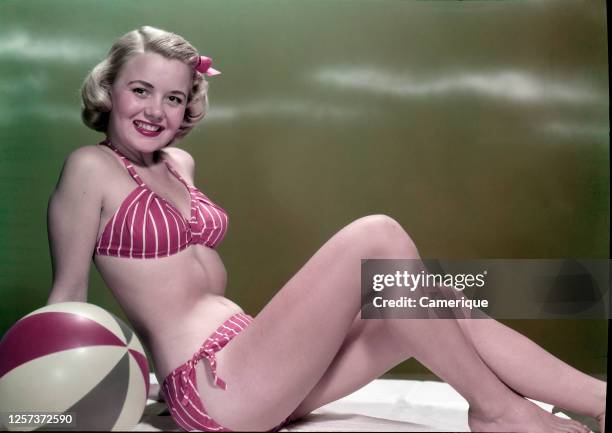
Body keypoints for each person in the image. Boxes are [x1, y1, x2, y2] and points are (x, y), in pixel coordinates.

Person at [46, 26, 606, 432]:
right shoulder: (89, 169)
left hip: (257, 365)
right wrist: (37, 410)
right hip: (212, 388)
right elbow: (65, 304)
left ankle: (601, 401)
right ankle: (498, 411)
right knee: (376, 235)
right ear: (109, 89)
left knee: (425, 295)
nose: (156, 111)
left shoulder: (179, 166)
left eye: (173, 97)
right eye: (140, 90)